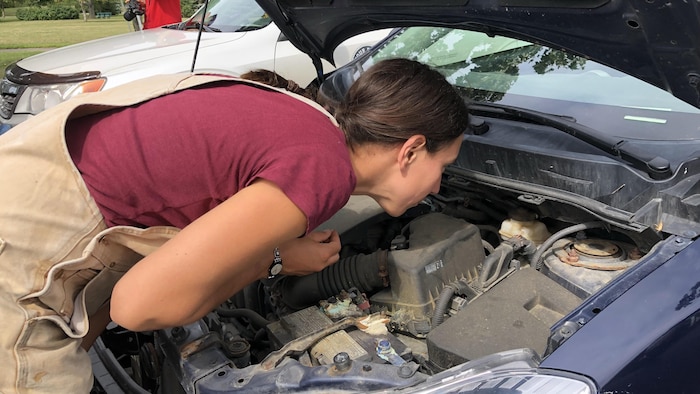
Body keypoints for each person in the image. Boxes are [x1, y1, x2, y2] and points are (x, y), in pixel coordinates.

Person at [0, 58, 470, 393]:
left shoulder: (299, 116)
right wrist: (276, 262)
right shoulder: (324, 169)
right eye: (443, 166)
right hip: (22, 257)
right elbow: (137, 307)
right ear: (409, 150)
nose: (436, 188)